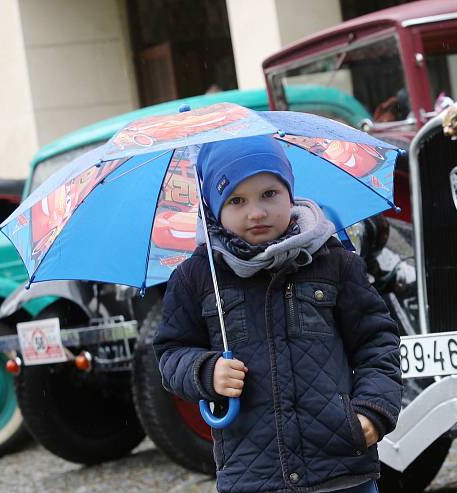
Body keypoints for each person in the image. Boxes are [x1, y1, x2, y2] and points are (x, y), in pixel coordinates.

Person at [153, 135, 403, 493]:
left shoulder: (334, 262)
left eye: (269, 194)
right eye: (236, 200)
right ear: (213, 207)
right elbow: (171, 352)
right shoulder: (197, 277)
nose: (256, 212)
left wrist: (373, 410)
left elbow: (377, 342)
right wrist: (205, 371)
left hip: (341, 470)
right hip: (254, 476)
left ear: (290, 191)